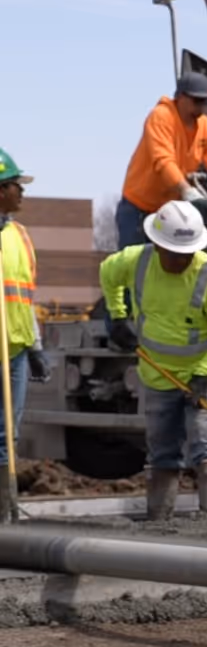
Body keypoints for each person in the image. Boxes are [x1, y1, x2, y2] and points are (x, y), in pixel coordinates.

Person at [100, 200, 207, 519]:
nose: (181, 260)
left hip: (204, 374)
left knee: (205, 441)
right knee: (162, 444)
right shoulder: (137, 261)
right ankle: (159, 517)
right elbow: (107, 272)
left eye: (186, 253)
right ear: (157, 244)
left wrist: (204, 376)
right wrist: (117, 316)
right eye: (174, 253)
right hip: (157, 374)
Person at [116, 71, 207, 249]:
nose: (201, 108)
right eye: (196, 101)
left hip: (168, 212)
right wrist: (186, 190)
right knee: (133, 267)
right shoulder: (161, 117)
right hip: (138, 209)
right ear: (180, 97)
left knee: (165, 272)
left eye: (206, 102)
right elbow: (163, 161)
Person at [0, 148, 49, 516]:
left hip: (14, 348)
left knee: (7, 436)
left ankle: (6, 508)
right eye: (17, 185)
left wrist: (35, 345)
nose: (23, 193)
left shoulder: (20, 235)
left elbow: (25, 294)